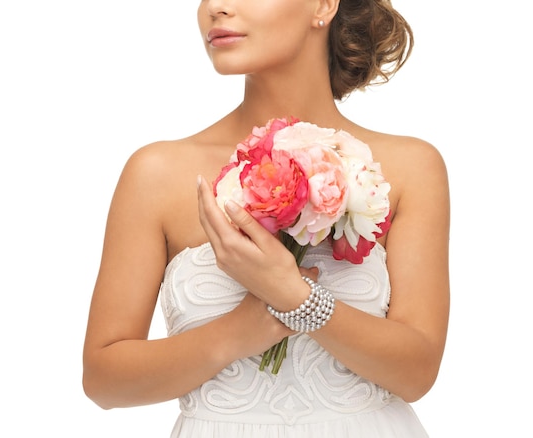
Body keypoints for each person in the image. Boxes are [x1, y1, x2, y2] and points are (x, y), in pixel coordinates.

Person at [82, 0, 450, 436]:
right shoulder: (157, 173)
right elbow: (103, 382)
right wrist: (237, 333)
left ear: (323, 5)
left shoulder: (410, 167)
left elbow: (417, 374)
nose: (215, 7)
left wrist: (297, 298)